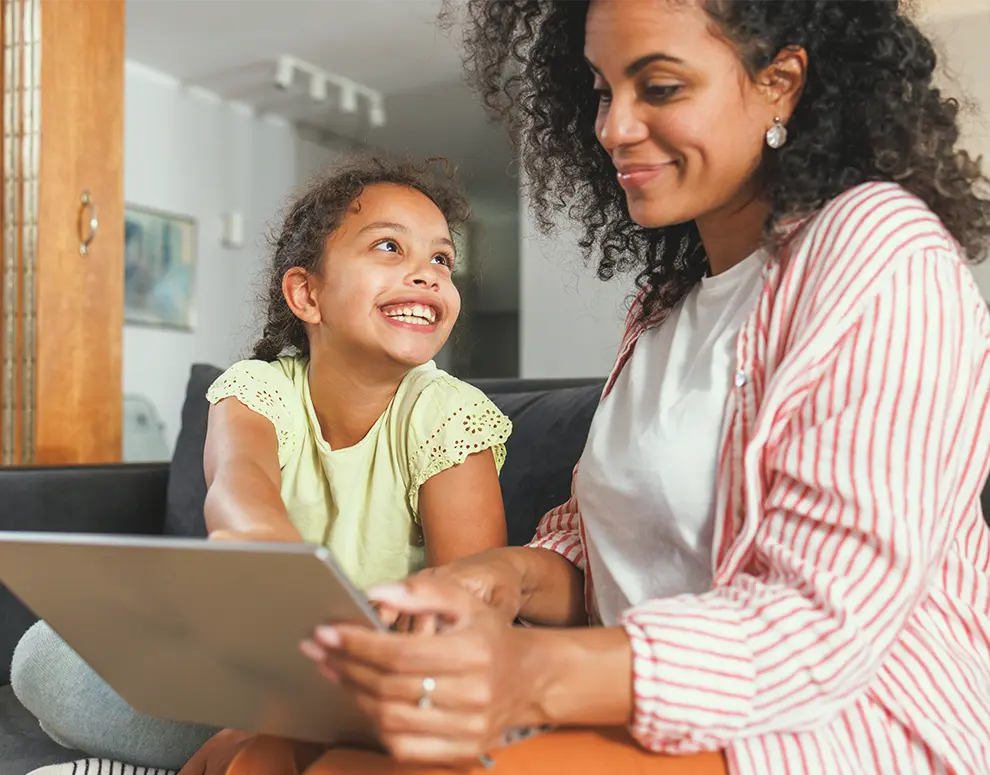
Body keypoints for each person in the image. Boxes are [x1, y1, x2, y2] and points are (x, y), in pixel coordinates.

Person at [185, 0, 990, 773]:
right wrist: (502, 577)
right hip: (644, 709)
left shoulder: (881, 255)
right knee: (262, 752)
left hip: (835, 729)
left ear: (780, 81)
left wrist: (528, 668)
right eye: (603, 91)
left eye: (661, 87)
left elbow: (818, 629)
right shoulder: (661, 309)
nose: (613, 126)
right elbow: (602, 549)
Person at [11, 155, 512, 772]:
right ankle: (257, 739)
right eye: (390, 247)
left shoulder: (451, 415)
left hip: (388, 688)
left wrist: (297, 722)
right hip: (254, 668)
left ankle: (278, 746)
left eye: (441, 259)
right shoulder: (257, 389)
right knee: (44, 655)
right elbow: (237, 489)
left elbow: (467, 611)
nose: (428, 275)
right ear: (307, 294)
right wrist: (267, 682)